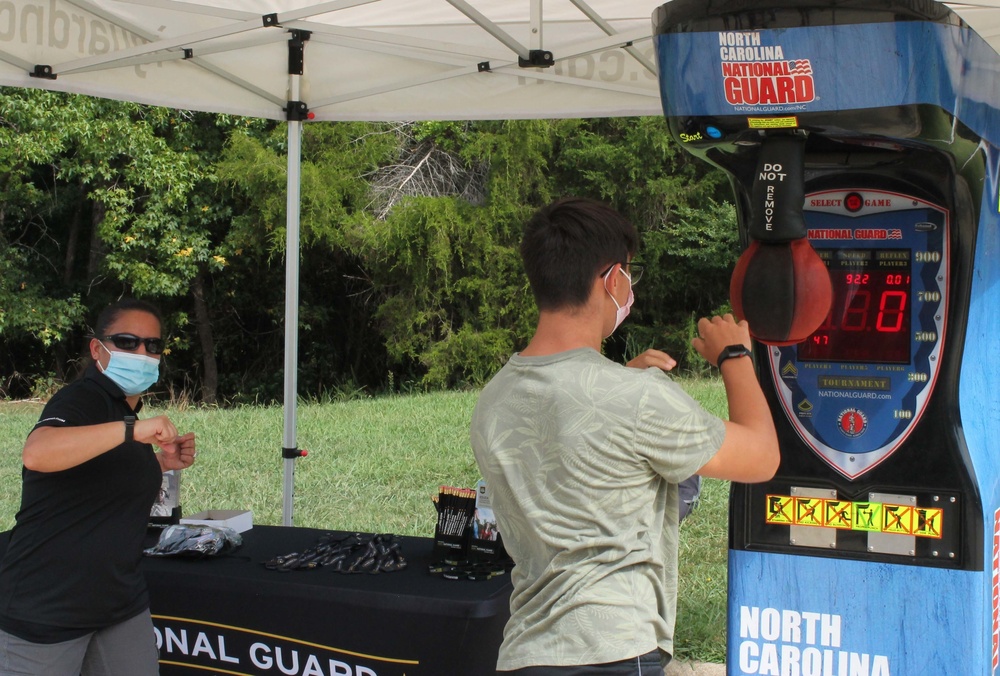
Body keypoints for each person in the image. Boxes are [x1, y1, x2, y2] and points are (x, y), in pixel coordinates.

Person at [470, 197, 780, 675]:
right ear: (613, 279)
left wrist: (620, 383)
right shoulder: (635, 397)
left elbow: (572, 442)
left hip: (526, 654)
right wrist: (735, 356)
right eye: (629, 274)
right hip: (613, 652)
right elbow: (760, 457)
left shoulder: (492, 401)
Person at [0, 298, 197, 675]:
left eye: (152, 345)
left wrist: (158, 464)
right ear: (97, 349)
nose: (142, 352)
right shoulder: (83, 398)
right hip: (48, 608)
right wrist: (133, 430)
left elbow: (100, 481)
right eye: (127, 341)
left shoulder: (122, 408)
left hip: (118, 604)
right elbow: (37, 452)